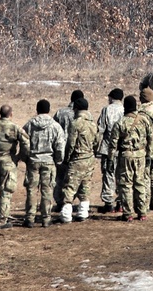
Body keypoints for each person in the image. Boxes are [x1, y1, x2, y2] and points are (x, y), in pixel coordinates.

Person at [23, 99, 67, 227]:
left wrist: (27, 157)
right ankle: (46, 218)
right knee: (47, 190)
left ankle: (29, 218)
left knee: (31, 190)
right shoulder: (55, 126)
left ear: (37, 110)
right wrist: (58, 160)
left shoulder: (30, 124)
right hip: (49, 162)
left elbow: (24, 142)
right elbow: (60, 145)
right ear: (48, 110)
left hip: (33, 161)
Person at [111, 94, 152, 221]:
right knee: (140, 182)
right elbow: (150, 137)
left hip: (125, 156)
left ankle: (128, 214)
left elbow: (113, 143)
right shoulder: (144, 120)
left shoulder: (120, 122)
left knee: (126, 185)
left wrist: (110, 158)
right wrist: (148, 154)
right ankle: (142, 212)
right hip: (140, 155)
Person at [58, 95, 97, 224]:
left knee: (69, 186)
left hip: (77, 159)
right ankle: (83, 212)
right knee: (85, 186)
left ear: (76, 109)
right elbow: (96, 141)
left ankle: (66, 215)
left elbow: (71, 143)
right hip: (89, 158)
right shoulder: (92, 124)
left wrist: (67, 158)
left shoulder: (76, 124)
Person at [96, 89, 125, 214]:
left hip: (108, 147)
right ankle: (120, 202)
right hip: (122, 148)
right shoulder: (125, 110)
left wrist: (96, 146)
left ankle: (108, 203)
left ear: (111, 98)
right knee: (121, 175)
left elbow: (100, 129)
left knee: (108, 174)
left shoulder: (106, 110)